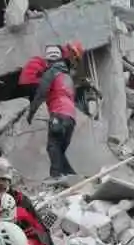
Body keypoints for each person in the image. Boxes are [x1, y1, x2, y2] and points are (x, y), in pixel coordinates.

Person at [22, 43, 82, 178]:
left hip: (58, 114)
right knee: (60, 149)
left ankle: (55, 176)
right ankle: (70, 175)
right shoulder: (67, 76)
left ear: (47, 60)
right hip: (71, 117)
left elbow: (41, 94)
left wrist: (31, 113)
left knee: (53, 146)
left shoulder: (51, 72)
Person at [0, 158, 54, 245]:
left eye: (4, 179)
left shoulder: (22, 203)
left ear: (9, 182)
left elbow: (42, 232)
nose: (1, 183)